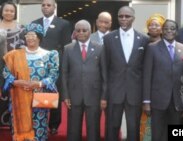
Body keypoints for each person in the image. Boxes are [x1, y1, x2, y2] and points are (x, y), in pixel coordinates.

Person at [2, 23, 59, 141]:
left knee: (38, 130)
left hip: (39, 99)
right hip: (19, 98)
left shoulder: (50, 55)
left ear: (39, 37)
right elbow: (6, 73)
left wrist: (38, 84)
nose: (30, 38)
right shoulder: (14, 55)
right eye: (28, 35)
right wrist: (17, 82)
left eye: (33, 35)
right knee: (19, 132)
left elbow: (54, 75)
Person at [103, 6, 149, 141]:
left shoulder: (143, 39)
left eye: (127, 16)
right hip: (114, 92)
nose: (123, 19)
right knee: (111, 128)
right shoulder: (109, 38)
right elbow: (105, 67)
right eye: (120, 16)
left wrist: (145, 96)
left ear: (133, 18)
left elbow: (145, 69)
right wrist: (105, 94)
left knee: (133, 129)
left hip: (135, 92)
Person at [143, 19, 183, 141]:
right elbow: (147, 76)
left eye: (172, 28)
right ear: (162, 31)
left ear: (177, 31)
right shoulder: (152, 48)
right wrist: (146, 102)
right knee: (157, 134)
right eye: (166, 28)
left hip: (177, 102)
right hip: (157, 101)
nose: (169, 31)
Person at [62, 19, 106, 141]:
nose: (81, 33)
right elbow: (64, 73)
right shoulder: (68, 49)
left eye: (84, 30)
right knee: (73, 131)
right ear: (74, 32)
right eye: (78, 30)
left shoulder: (100, 48)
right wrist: (65, 95)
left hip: (94, 96)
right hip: (74, 95)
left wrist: (104, 96)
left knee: (93, 130)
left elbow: (104, 74)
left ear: (90, 31)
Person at [32, 0, 72, 135]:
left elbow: (66, 46)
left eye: (48, 5)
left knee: (54, 93)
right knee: (37, 92)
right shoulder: (35, 23)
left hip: (55, 64)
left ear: (54, 7)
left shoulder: (64, 24)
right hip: (37, 64)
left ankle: (54, 125)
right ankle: (37, 121)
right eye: (43, 5)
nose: (45, 7)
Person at [140, 13, 165, 141]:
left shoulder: (166, 44)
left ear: (162, 28)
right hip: (143, 90)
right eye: (151, 24)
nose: (153, 27)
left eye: (157, 25)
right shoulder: (142, 42)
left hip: (161, 92)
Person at [0, 1, 25, 127]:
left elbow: (23, 47)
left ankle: (12, 121)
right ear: (1, 11)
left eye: (12, 11)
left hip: (14, 64)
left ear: (15, 13)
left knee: (13, 91)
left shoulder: (21, 27)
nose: (9, 13)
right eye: (6, 10)